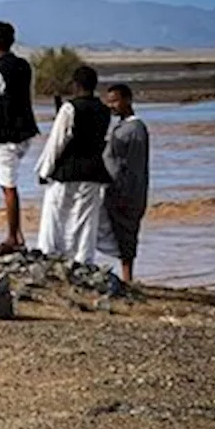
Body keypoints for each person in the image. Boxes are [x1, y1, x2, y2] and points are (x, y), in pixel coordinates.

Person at [35, 65, 113, 264]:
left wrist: (45, 171)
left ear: (76, 85)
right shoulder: (104, 111)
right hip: (93, 171)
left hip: (67, 170)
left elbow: (57, 143)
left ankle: (50, 255)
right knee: (86, 219)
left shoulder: (69, 109)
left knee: (55, 215)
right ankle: (83, 260)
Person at [0, 21, 40, 255]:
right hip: (24, 133)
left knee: (8, 186)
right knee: (9, 183)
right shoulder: (24, 66)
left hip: (3, 136)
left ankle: (14, 237)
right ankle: (17, 235)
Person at [97, 83, 150, 282]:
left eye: (115, 101)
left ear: (127, 100)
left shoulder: (135, 129)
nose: (111, 106)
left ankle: (128, 278)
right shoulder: (123, 127)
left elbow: (128, 163)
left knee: (126, 234)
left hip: (126, 191)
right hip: (117, 189)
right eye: (109, 101)